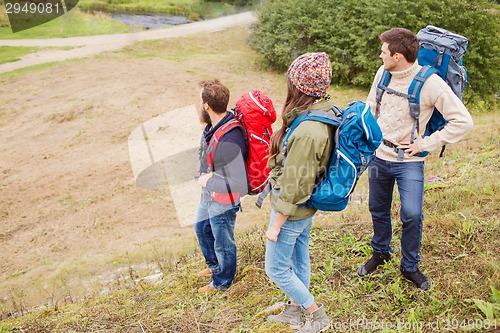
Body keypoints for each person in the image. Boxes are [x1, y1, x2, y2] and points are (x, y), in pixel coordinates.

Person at [358, 28, 473, 290]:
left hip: (409, 162)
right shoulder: (383, 73)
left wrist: (427, 143)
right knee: (377, 208)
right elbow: (371, 106)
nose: (380, 55)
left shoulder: (431, 83)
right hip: (378, 156)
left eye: (384, 52)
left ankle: (410, 266)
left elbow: (463, 121)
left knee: (411, 213)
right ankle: (381, 252)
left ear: (398, 56)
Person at [264, 52, 333, 333]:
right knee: (298, 260)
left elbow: (295, 184)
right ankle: (293, 311)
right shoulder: (319, 112)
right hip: (303, 209)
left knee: (276, 269)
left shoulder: (308, 131)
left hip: (291, 210)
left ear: (299, 85)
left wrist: (276, 225)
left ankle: (317, 315)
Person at [194, 79, 248, 293]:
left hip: (223, 200)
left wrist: (209, 180)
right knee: (201, 229)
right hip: (210, 194)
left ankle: (223, 282)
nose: (199, 103)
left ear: (207, 105)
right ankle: (215, 267)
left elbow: (240, 184)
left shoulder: (230, 139)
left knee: (223, 243)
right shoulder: (214, 125)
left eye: (200, 99)